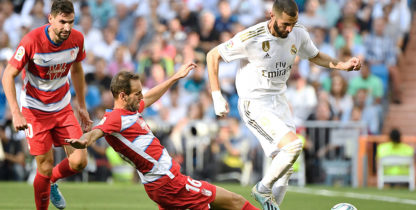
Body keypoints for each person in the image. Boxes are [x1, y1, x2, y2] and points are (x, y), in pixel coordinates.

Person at [206, 0, 361, 209]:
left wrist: (342, 65)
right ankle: (262, 188)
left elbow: (315, 56)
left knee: (287, 166)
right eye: (285, 24)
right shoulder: (252, 37)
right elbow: (212, 55)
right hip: (255, 103)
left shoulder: (298, 32)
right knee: (294, 145)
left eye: (293, 23)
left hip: (279, 101)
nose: (289, 29)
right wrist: (217, 96)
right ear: (272, 15)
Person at [65, 65, 260, 210]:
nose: (142, 97)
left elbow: (150, 96)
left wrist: (175, 77)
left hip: (162, 184)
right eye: (137, 94)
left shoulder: (130, 110)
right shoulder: (115, 118)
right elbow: (98, 131)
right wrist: (84, 141)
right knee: (234, 202)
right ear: (123, 96)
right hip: (169, 183)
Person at [1, 1, 92, 209]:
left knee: (79, 161)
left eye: (71, 22)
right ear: (50, 19)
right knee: (45, 165)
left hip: (63, 107)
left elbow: (77, 70)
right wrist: (16, 112)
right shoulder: (31, 41)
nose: (67, 28)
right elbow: (8, 74)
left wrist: (82, 105)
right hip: (35, 110)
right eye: (62, 22)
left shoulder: (77, 39)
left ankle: (52, 182)